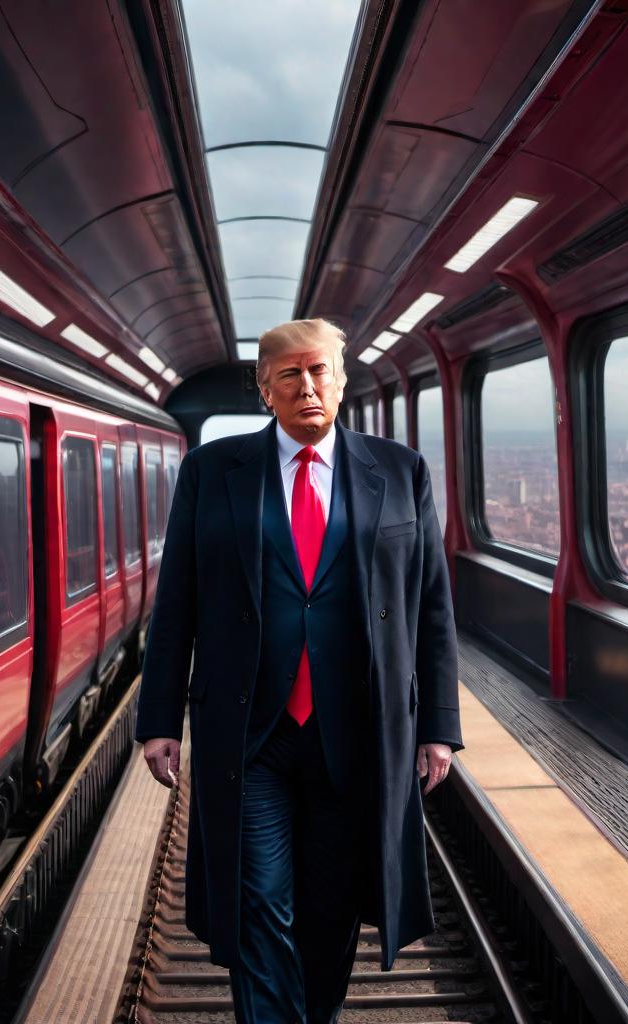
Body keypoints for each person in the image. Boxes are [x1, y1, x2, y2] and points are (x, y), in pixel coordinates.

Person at [135, 317, 462, 1024]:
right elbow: (178, 602)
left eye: (319, 371)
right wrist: (158, 719)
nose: (307, 386)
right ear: (265, 389)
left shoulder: (402, 472)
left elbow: (431, 608)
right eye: (290, 375)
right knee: (260, 901)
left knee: (330, 908)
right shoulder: (212, 472)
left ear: (341, 382)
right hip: (253, 736)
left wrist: (439, 725)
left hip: (357, 732)